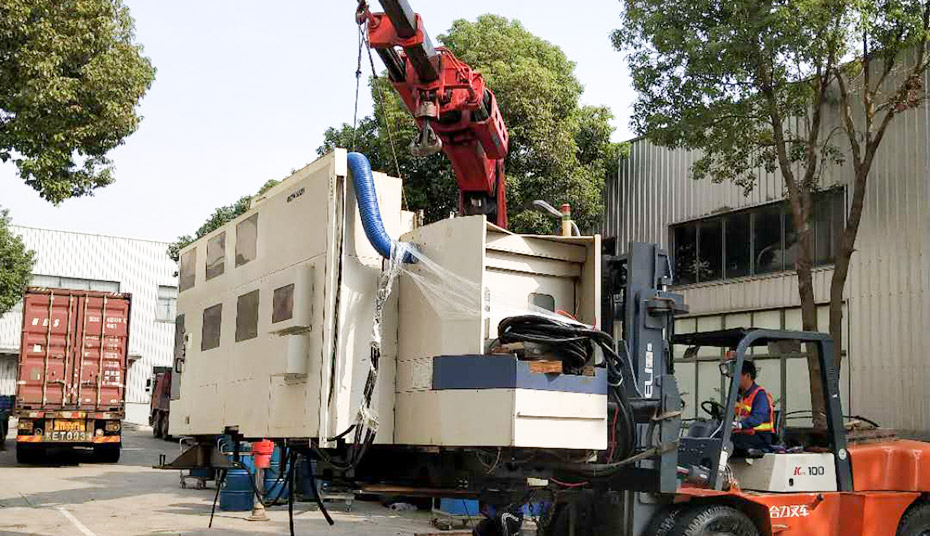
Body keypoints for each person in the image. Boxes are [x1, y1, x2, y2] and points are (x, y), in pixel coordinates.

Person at [731, 359, 776, 453]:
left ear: (747, 376)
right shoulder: (739, 395)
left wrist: (740, 424)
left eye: (737, 376)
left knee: (732, 442)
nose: (734, 379)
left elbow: (758, 418)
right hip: (744, 434)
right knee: (718, 438)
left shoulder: (759, 395)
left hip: (760, 437)